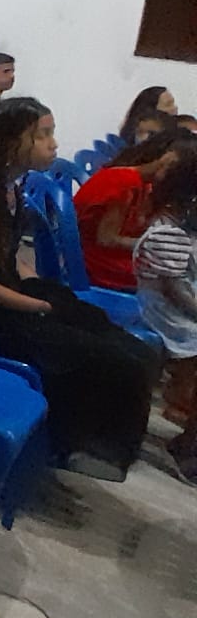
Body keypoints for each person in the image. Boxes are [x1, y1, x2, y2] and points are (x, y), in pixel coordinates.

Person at [0, 97, 161, 481]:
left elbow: (8, 259)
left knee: (116, 335)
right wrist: (39, 305)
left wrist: (47, 294)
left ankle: (85, 442)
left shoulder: (9, 186)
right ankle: (74, 444)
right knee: (110, 358)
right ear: (11, 142)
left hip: (6, 294)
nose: (54, 144)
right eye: (43, 135)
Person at [132, 147, 197, 482]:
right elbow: (174, 291)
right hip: (165, 312)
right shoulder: (169, 234)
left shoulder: (178, 228)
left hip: (175, 308)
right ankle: (189, 446)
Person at [74, 133, 183, 290]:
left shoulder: (142, 183)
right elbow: (107, 239)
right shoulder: (125, 183)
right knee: (174, 277)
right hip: (93, 261)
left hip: (101, 253)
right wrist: (151, 244)